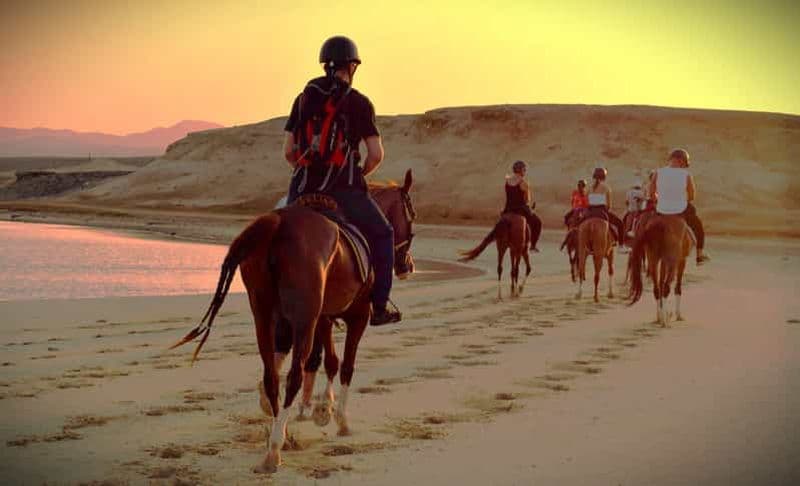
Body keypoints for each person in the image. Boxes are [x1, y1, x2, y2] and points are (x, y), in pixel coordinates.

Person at [282, 36, 400, 325]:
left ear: (325, 65)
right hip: (344, 190)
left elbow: (288, 151)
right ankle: (380, 306)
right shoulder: (360, 103)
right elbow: (376, 154)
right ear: (352, 66)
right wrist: (357, 176)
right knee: (384, 234)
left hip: (302, 188)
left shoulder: (303, 98)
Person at [650, 148, 710, 265]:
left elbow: (651, 192)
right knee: (698, 227)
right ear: (682, 161)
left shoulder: (658, 172)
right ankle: (699, 254)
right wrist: (681, 200)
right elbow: (691, 196)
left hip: (661, 208)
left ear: (671, 159)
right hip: (680, 209)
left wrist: (658, 201)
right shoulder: (687, 174)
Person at [502, 160, 542, 252]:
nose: (525, 171)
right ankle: (533, 245)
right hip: (520, 210)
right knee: (537, 222)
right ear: (521, 170)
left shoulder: (507, 181)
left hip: (508, 209)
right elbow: (527, 200)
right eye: (524, 169)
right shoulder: (523, 183)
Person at [586, 167, 625, 248]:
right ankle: (621, 245)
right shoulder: (606, 188)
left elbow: (587, 202)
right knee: (620, 224)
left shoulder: (589, 188)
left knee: (577, 225)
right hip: (602, 211)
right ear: (604, 176)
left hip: (590, 212)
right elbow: (608, 206)